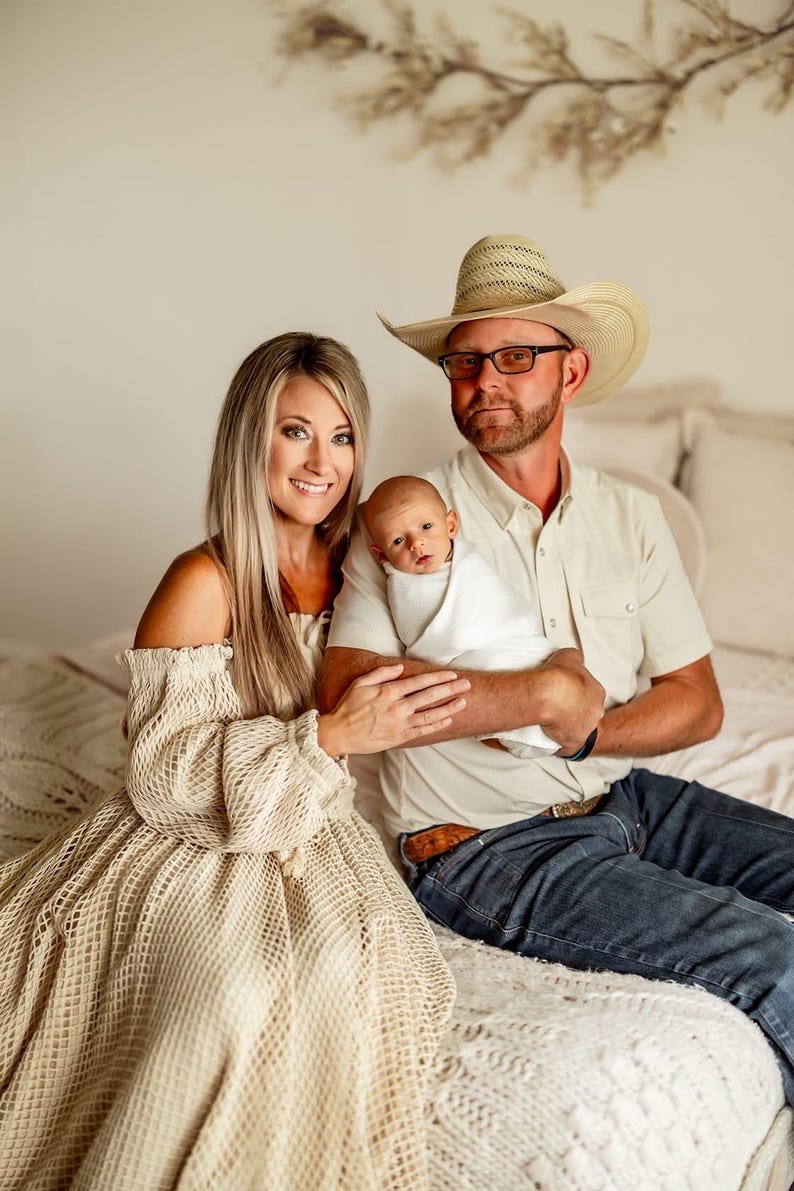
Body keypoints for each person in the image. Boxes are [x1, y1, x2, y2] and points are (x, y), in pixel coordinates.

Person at [321, 234, 794, 1105]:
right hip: (483, 847)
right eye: (465, 362)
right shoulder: (408, 513)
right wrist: (536, 694)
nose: (484, 381)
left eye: (514, 356)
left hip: (630, 797)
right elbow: (347, 693)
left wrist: (590, 729)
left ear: (569, 374)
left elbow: (698, 704)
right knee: (778, 956)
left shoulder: (634, 518)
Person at [0, 332, 478, 1189]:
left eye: (341, 437)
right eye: (296, 431)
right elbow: (161, 768)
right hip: (189, 834)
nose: (320, 461)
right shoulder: (205, 579)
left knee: (365, 974)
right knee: (227, 997)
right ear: (248, 439)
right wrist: (326, 736)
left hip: (315, 827)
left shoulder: (364, 573)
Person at [364, 473, 558, 759]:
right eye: (397, 541)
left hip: (521, 646)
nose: (416, 544)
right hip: (476, 666)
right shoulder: (404, 587)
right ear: (381, 555)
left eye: (427, 527)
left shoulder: (468, 561)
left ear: (451, 525)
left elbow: (502, 605)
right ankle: (518, 727)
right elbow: (429, 641)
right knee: (491, 667)